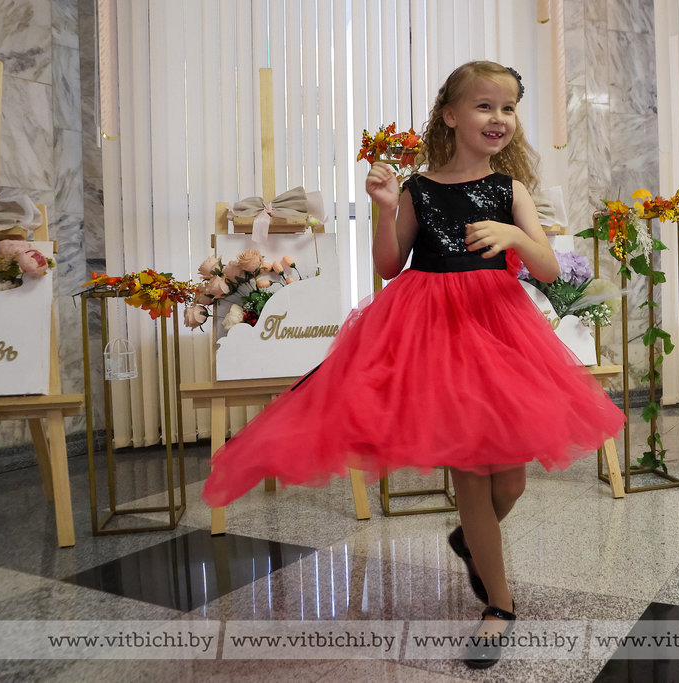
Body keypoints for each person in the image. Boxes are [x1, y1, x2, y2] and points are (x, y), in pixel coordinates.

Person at [202, 60, 625, 669]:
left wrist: (515, 238)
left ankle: (469, 541)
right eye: (484, 106)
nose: (499, 118)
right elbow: (388, 264)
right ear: (450, 116)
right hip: (432, 336)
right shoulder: (417, 189)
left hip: (498, 333)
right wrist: (382, 205)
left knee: (510, 481)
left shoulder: (510, 191)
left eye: (508, 108)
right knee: (472, 474)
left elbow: (550, 269)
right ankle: (499, 607)